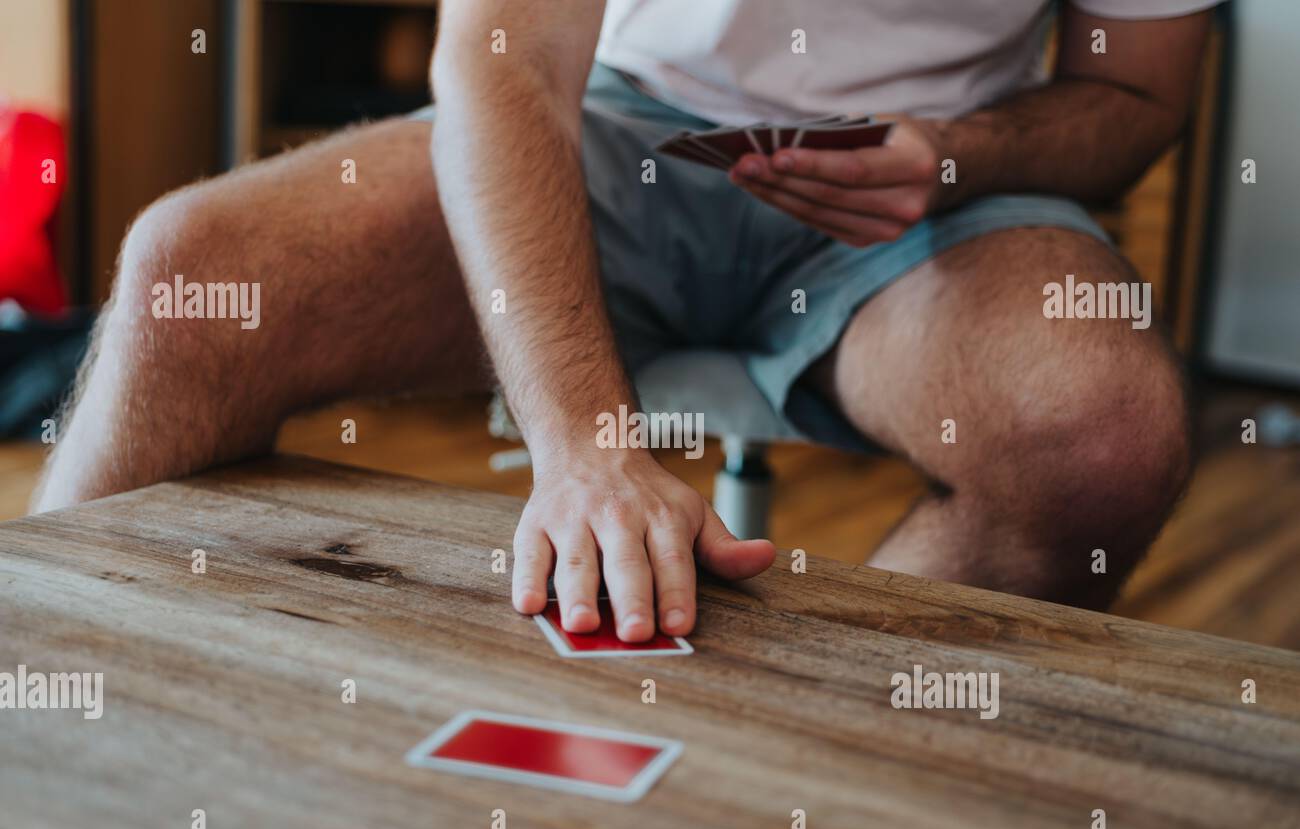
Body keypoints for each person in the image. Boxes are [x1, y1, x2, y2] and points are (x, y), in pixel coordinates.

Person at [34, 0, 1217, 640]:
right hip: (610, 128)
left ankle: (775, 796)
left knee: (1101, 437)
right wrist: (588, 448)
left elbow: (1134, 91)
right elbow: (501, 61)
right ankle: (35, 709)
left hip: (938, 180)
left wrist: (956, 159)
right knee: (187, 277)